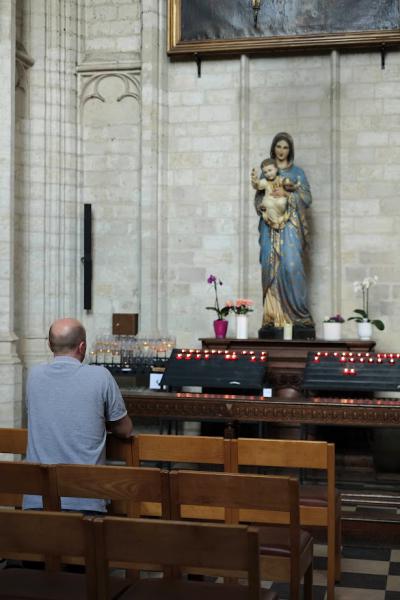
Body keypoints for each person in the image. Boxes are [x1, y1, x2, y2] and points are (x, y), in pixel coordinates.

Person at [23, 318, 133, 513]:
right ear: (82, 346)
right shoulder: (101, 376)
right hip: (85, 502)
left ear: (50, 345)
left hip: (37, 501)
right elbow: (124, 430)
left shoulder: (34, 376)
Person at [253, 132, 314, 332]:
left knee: (291, 266)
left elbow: (306, 198)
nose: (281, 151)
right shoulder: (266, 172)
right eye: (278, 147)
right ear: (273, 149)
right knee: (270, 268)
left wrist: (287, 194)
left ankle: (298, 317)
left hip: (291, 227)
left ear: (290, 150)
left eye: (285, 147)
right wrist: (262, 207)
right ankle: (272, 316)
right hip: (269, 227)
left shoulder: (297, 172)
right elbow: (258, 198)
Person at [251, 158, 299, 229]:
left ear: (276, 169)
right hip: (269, 200)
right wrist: (255, 180)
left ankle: (281, 218)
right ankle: (274, 222)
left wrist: (291, 184)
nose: (268, 174)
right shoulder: (265, 181)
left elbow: (288, 185)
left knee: (282, 202)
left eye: (270, 170)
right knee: (268, 204)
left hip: (279, 201)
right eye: (265, 172)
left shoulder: (280, 179)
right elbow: (257, 185)